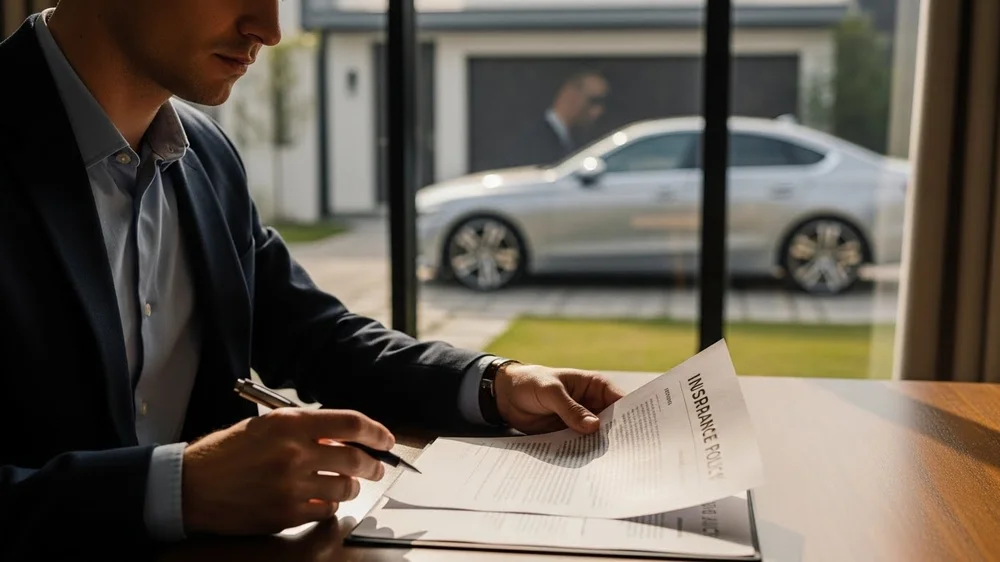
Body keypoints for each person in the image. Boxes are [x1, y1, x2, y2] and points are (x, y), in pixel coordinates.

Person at [0, 1, 624, 557]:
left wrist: (493, 385)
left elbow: (316, 337)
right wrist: (174, 490)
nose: (268, 28)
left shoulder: (207, 157)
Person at [505, 69, 610, 167]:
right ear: (571, 94)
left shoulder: (573, 139)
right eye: (593, 101)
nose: (598, 111)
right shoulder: (536, 141)